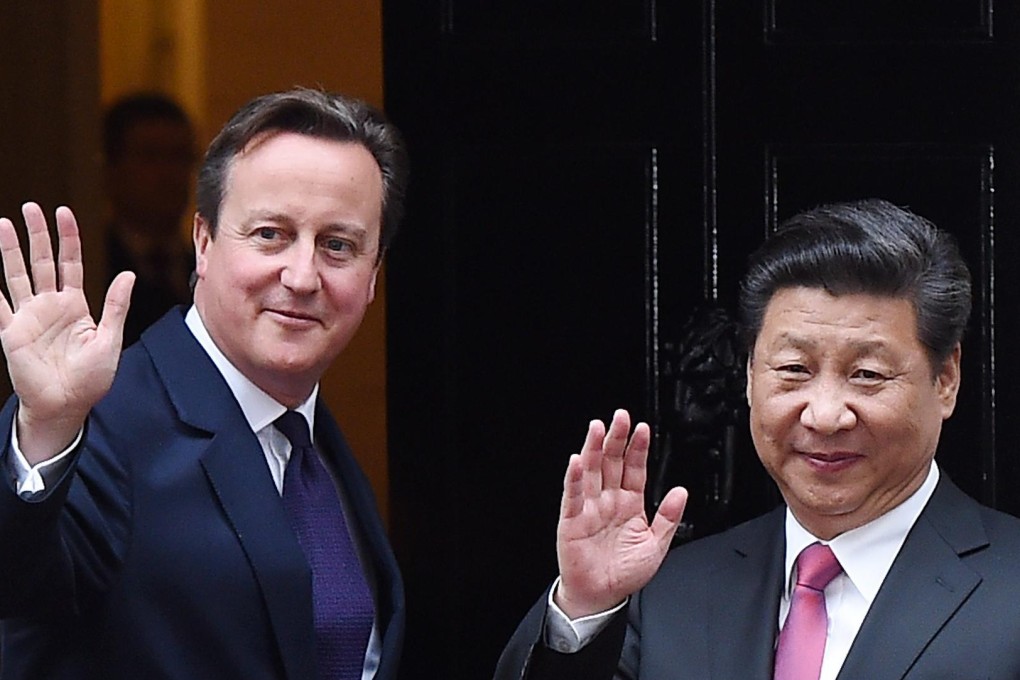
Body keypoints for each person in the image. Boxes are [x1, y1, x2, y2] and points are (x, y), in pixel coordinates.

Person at [494, 199, 1020, 679]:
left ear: (945, 379)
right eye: (793, 369)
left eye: (867, 374)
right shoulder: (669, 591)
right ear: (749, 374)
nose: (825, 415)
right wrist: (585, 609)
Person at [0, 88, 407, 679]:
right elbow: (15, 585)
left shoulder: (313, 443)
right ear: (204, 242)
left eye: (337, 245)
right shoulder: (103, 423)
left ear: (373, 276)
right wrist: (45, 430)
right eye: (269, 233)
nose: (301, 275)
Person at [102, 92, 197, 346]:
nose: (169, 174)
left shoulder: (207, 271)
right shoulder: (95, 267)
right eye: (150, 156)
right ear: (111, 169)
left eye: (180, 157)